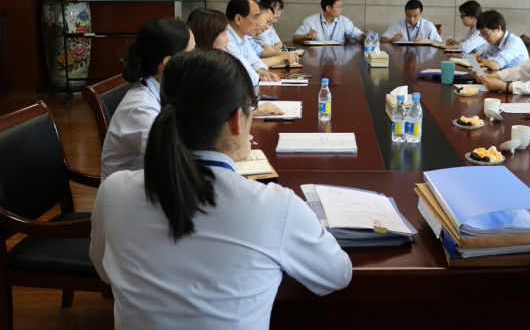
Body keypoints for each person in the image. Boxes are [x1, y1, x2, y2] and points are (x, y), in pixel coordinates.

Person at [91, 50, 352, 329]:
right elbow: (337, 274)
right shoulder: (274, 206)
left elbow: (105, 271)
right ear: (237, 119)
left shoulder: (113, 192)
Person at [100, 17, 195, 180]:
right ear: (168, 62)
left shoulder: (165, 87)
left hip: (153, 181)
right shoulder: (140, 108)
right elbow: (173, 159)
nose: (197, 58)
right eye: (191, 53)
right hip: (130, 190)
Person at [187, 7, 283, 116]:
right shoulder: (201, 69)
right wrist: (256, 111)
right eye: (224, 33)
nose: (228, 39)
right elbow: (215, 113)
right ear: (208, 35)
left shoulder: (212, 62)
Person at [225, 0, 293, 86]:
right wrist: (258, 75)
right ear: (238, 19)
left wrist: (262, 71)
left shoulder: (243, 36)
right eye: (255, 17)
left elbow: (255, 61)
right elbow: (245, 73)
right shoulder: (225, 38)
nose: (258, 23)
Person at [293, 0, 364, 44]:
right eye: (339, 7)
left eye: (342, 7)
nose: (341, 9)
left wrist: (366, 36)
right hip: (317, 57)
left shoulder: (344, 21)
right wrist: (307, 35)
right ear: (328, 8)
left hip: (338, 57)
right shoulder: (310, 21)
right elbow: (295, 38)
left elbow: (358, 34)